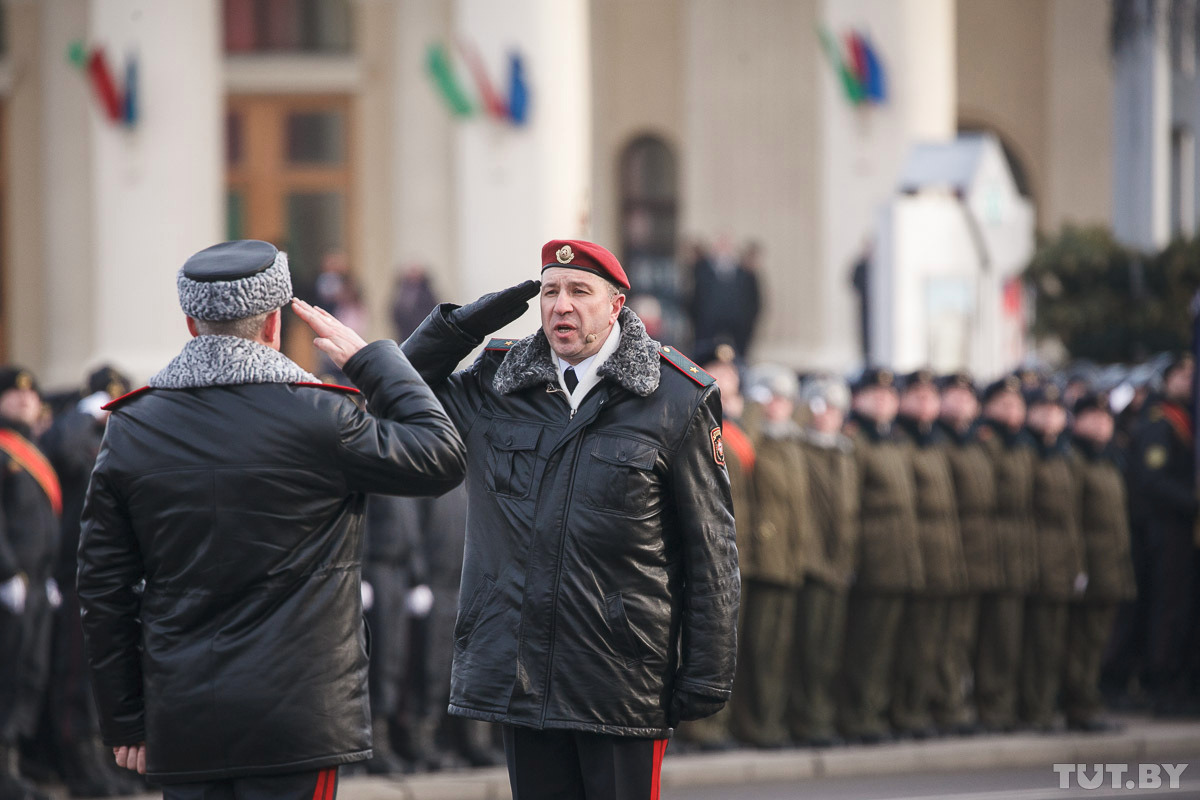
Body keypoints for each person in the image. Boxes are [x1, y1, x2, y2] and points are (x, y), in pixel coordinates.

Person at [77, 240, 467, 795]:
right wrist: (372, 360)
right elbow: (442, 456)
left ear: (191, 324)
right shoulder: (321, 415)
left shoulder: (132, 426)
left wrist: (124, 719)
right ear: (274, 326)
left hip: (183, 716)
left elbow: (103, 587)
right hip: (300, 720)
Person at [400, 239, 739, 800]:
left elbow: (712, 548)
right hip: (520, 671)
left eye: (580, 291)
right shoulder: (499, 382)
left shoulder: (675, 396)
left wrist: (706, 671)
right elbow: (400, 391)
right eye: (550, 291)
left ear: (616, 305)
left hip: (619, 678)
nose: (562, 305)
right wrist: (461, 327)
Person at [39, 365, 137, 798]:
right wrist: (84, 414)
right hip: (75, 574)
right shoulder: (76, 435)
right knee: (75, 674)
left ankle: (101, 761)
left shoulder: (117, 442)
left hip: (113, 575)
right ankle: (78, 766)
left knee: (104, 677)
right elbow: (61, 448)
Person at [675, 344, 754, 753]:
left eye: (730, 370)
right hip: (699, 551)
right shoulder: (691, 416)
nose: (725, 377)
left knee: (729, 645)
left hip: (735, 552)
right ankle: (695, 730)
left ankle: (718, 727)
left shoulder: (740, 425)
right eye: (715, 369)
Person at [839, 368, 922, 744]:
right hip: (873, 558)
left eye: (889, 396)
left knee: (892, 644)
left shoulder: (897, 441)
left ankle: (883, 711)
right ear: (858, 399)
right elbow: (849, 507)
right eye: (875, 395)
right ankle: (859, 715)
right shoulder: (856, 442)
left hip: (900, 558)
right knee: (866, 646)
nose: (884, 402)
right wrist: (854, 559)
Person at [729, 365, 806, 748]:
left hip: (789, 562)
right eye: (769, 398)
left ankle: (771, 724)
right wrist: (753, 411)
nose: (779, 406)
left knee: (778, 652)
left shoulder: (793, 442)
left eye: (785, 398)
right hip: (760, 561)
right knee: (755, 651)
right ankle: (752, 726)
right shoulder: (753, 436)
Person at [891, 370, 967, 739]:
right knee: (913, 642)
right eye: (916, 395)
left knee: (941, 642)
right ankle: (908, 711)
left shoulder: (935, 442)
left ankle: (931, 706)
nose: (925, 403)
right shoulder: (899, 441)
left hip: (942, 558)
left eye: (930, 396)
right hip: (912, 558)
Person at [788, 374, 857, 748]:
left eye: (835, 408)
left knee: (830, 650)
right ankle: (806, 719)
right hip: (813, 565)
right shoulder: (803, 448)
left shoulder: (844, 452)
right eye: (822, 406)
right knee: (810, 649)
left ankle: (822, 716)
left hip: (839, 565)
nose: (828, 415)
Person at [0, 367, 59, 800]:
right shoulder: (4, 452)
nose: (24, 401)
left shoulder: (33, 451)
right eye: (13, 394)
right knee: (7, 673)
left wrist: (50, 572)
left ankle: (15, 764)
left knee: (30, 674)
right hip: (10, 584)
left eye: (30, 394)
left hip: (38, 581)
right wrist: (5, 571)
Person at [1128, 355, 1197, 714]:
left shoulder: (1190, 417)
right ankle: (1163, 683)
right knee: (1169, 608)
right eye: (1182, 375)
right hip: (1167, 528)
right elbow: (1154, 481)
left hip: (1186, 529)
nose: (1189, 380)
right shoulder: (1160, 421)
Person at [1065, 392, 1136, 731]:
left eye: (1105, 419)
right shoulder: (1074, 460)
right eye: (1091, 417)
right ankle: (1080, 706)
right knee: (1081, 641)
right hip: (1088, 567)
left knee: (1097, 641)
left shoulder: (1107, 459)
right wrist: (1078, 568)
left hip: (1110, 566)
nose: (1100, 424)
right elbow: (1071, 522)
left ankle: (1088, 700)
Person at [1020, 384, 1085, 731]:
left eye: (1056, 410)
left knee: (1057, 641)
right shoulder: (1026, 453)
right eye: (1042, 410)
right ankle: (1035, 709)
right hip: (1037, 558)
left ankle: (1049, 707)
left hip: (1064, 558)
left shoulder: (1063, 454)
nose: (1050, 417)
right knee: (1038, 641)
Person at [974, 376, 1036, 732]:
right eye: (1004, 405)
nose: (1013, 412)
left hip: (1021, 554)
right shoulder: (987, 443)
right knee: (995, 637)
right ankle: (992, 707)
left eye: (1017, 404)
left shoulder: (1025, 446)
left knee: (1016, 638)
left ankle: (1011, 705)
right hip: (994, 552)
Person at [935, 372, 996, 734]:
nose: (960, 404)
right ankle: (946, 705)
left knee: (968, 637)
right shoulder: (935, 442)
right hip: (945, 552)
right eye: (953, 396)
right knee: (944, 639)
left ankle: (962, 703)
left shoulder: (980, 443)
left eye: (967, 397)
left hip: (977, 554)